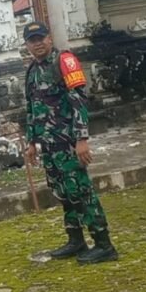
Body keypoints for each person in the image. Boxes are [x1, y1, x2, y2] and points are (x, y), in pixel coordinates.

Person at [23, 21, 118, 264]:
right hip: (48, 145)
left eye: (41, 38)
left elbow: (79, 100)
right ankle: (76, 239)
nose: (38, 43)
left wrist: (82, 138)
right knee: (63, 193)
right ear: (27, 45)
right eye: (32, 40)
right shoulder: (32, 71)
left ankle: (104, 244)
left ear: (49, 38)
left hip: (68, 143)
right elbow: (32, 108)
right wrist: (31, 142)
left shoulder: (64, 61)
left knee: (82, 192)